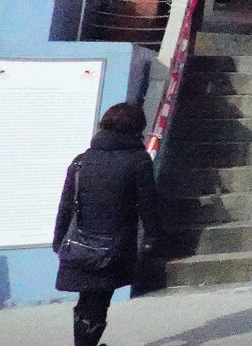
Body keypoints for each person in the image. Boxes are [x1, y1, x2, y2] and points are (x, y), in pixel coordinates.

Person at [54, 102, 160, 346]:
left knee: (87, 298)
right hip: (115, 245)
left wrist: (59, 241)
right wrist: (152, 238)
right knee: (100, 299)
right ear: (136, 128)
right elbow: (148, 204)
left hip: (79, 244)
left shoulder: (81, 161)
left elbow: (66, 205)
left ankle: (84, 342)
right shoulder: (138, 160)